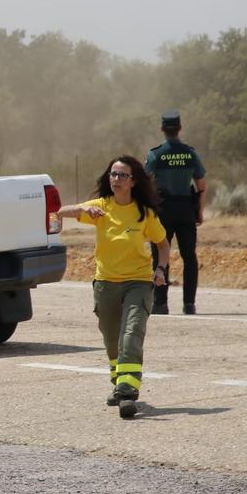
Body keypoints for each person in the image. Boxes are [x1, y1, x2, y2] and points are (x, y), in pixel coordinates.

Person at [58, 156, 169, 419]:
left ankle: (128, 391)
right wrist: (85, 210)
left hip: (138, 282)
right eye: (113, 174)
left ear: (133, 182)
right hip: (106, 282)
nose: (116, 179)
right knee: (111, 339)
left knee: (131, 333)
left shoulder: (145, 213)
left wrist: (161, 269)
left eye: (122, 175)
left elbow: (163, 244)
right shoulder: (101, 207)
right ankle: (118, 381)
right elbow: (62, 212)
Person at [146, 111, 206, 314]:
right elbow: (201, 186)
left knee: (160, 255)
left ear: (162, 129)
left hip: (163, 212)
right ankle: (189, 304)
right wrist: (199, 211)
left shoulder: (155, 154)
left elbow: (145, 184)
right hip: (186, 210)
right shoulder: (191, 154)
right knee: (189, 257)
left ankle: (160, 303)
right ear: (179, 128)